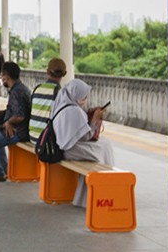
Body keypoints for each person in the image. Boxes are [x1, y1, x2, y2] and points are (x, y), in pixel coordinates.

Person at [51, 78, 114, 207]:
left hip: (61, 148)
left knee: (103, 145)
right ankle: (106, 191)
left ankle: (84, 198)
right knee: (104, 148)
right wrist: (95, 119)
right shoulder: (74, 111)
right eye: (83, 97)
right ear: (76, 95)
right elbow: (87, 136)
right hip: (70, 150)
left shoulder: (61, 104)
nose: (85, 99)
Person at [27, 58, 67, 142]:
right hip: (46, 141)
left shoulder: (37, 89)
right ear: (64, 73)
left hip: (33, 136)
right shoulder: (60, 93)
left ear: (47, 72)